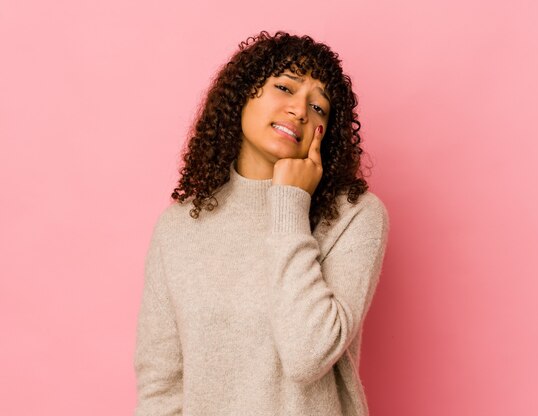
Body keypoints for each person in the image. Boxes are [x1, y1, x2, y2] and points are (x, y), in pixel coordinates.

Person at [133, 30, 390, 416]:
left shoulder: (355, 216)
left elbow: (307, 356)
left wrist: (290, 203)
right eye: (285, 87)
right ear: (242, 95)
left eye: (319, 107)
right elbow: (160, 385)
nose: (300, 110)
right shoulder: (180, 227)